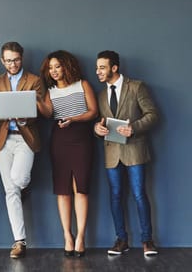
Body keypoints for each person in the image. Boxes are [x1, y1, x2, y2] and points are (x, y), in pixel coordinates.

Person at [94, 50, 159, 257]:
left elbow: (153, 115)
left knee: (139, 194)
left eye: (102, 67)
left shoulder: (137, 87)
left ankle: (147, 241)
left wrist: (135, 128)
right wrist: (97, 129)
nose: (98, 72)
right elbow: (101, 122)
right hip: (112, 152)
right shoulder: (101, 94)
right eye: (97, 68)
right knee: (115, 196)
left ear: (114, 67)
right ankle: (121, 240)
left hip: (135, 150)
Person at [37, 50, 98, 257]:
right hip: (59, 139)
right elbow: (47, 114)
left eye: (57, 66)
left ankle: (81, 236)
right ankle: (67, 236)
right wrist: (37, 100)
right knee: (63, 189)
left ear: (66, 66)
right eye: (50, 68)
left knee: (80, 187)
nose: (54, 71)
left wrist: (74, 119)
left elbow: (93, 111)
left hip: (82, 137)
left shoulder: (83, 84)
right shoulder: (51, 91)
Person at [0, 41, 41, 259]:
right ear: (3, 61)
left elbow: (39, 110)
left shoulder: (35, 80)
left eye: (16, 59)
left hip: (25, 137)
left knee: (17, 181)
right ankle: (19, 241)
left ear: (22, 58)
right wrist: (4, 113)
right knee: (11, 191)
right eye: (9, 60)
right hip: (3, 140)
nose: (13, 64)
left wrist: (23, 117)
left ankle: (23, 182)